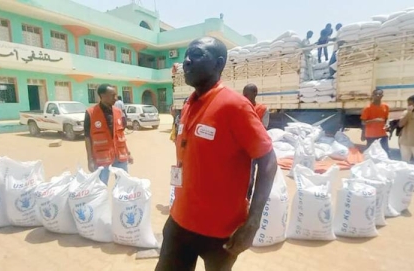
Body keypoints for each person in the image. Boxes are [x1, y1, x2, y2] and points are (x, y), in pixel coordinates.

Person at [155, 37, 277, 271]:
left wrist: (253, 222)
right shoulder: (190, 103)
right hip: (180, 222)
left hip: (220, 232)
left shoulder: (235, 106)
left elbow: (268, 161)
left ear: (218, 63)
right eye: (186, 56)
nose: (187, 61)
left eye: (197, 55)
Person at [84, 84, 134, 184]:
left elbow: (120, 136)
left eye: (116, 95)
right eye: (112, 95)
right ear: (102, 96)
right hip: (102, 157)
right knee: (101, 186)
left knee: (124, 184)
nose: (115, 98)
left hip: (120, 155)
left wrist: (128, 153)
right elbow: (87, 137)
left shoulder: (118, 112)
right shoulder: (90, 113)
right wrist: (90, 159)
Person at [361, 89, 390, 155]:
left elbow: (386, 118)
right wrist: (375, 120)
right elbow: (363, 122)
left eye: (379, 94)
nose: (378, 95)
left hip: (382, 134)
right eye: (376, 94)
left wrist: (387, 124)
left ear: (382, 96)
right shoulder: (367, 108)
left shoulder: (386, 107)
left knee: (385, 153)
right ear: (372, 96)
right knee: (371, 154)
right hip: (371, 135)